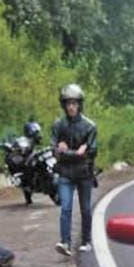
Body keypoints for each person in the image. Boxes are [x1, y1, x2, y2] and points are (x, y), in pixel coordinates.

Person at [51, 83, 97, 256]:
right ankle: (65, 242)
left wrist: (67, 151)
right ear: (64, 105)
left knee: (85, 208)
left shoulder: (90, 126)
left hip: (84, 173)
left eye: (74, 103)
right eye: (68, 103)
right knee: (66, 207)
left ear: (79, 104)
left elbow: (91, 152)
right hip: (65, 172)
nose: (71, 106)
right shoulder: (58, 125)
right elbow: (55, 150)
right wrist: (77, 152)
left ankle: (86, 240)